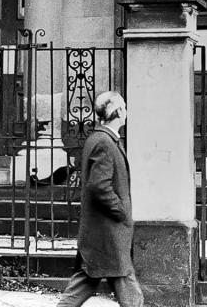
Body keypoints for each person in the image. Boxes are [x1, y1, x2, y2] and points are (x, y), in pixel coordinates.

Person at [57, 91, 143, 307]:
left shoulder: (102, 139)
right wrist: (120, 211)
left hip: (103, 234)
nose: (126, 112)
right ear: (119, 112)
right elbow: (99, 186)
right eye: (124, 107)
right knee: (123, 281)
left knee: (89, 280)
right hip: (108, 232)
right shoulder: (104, 142)